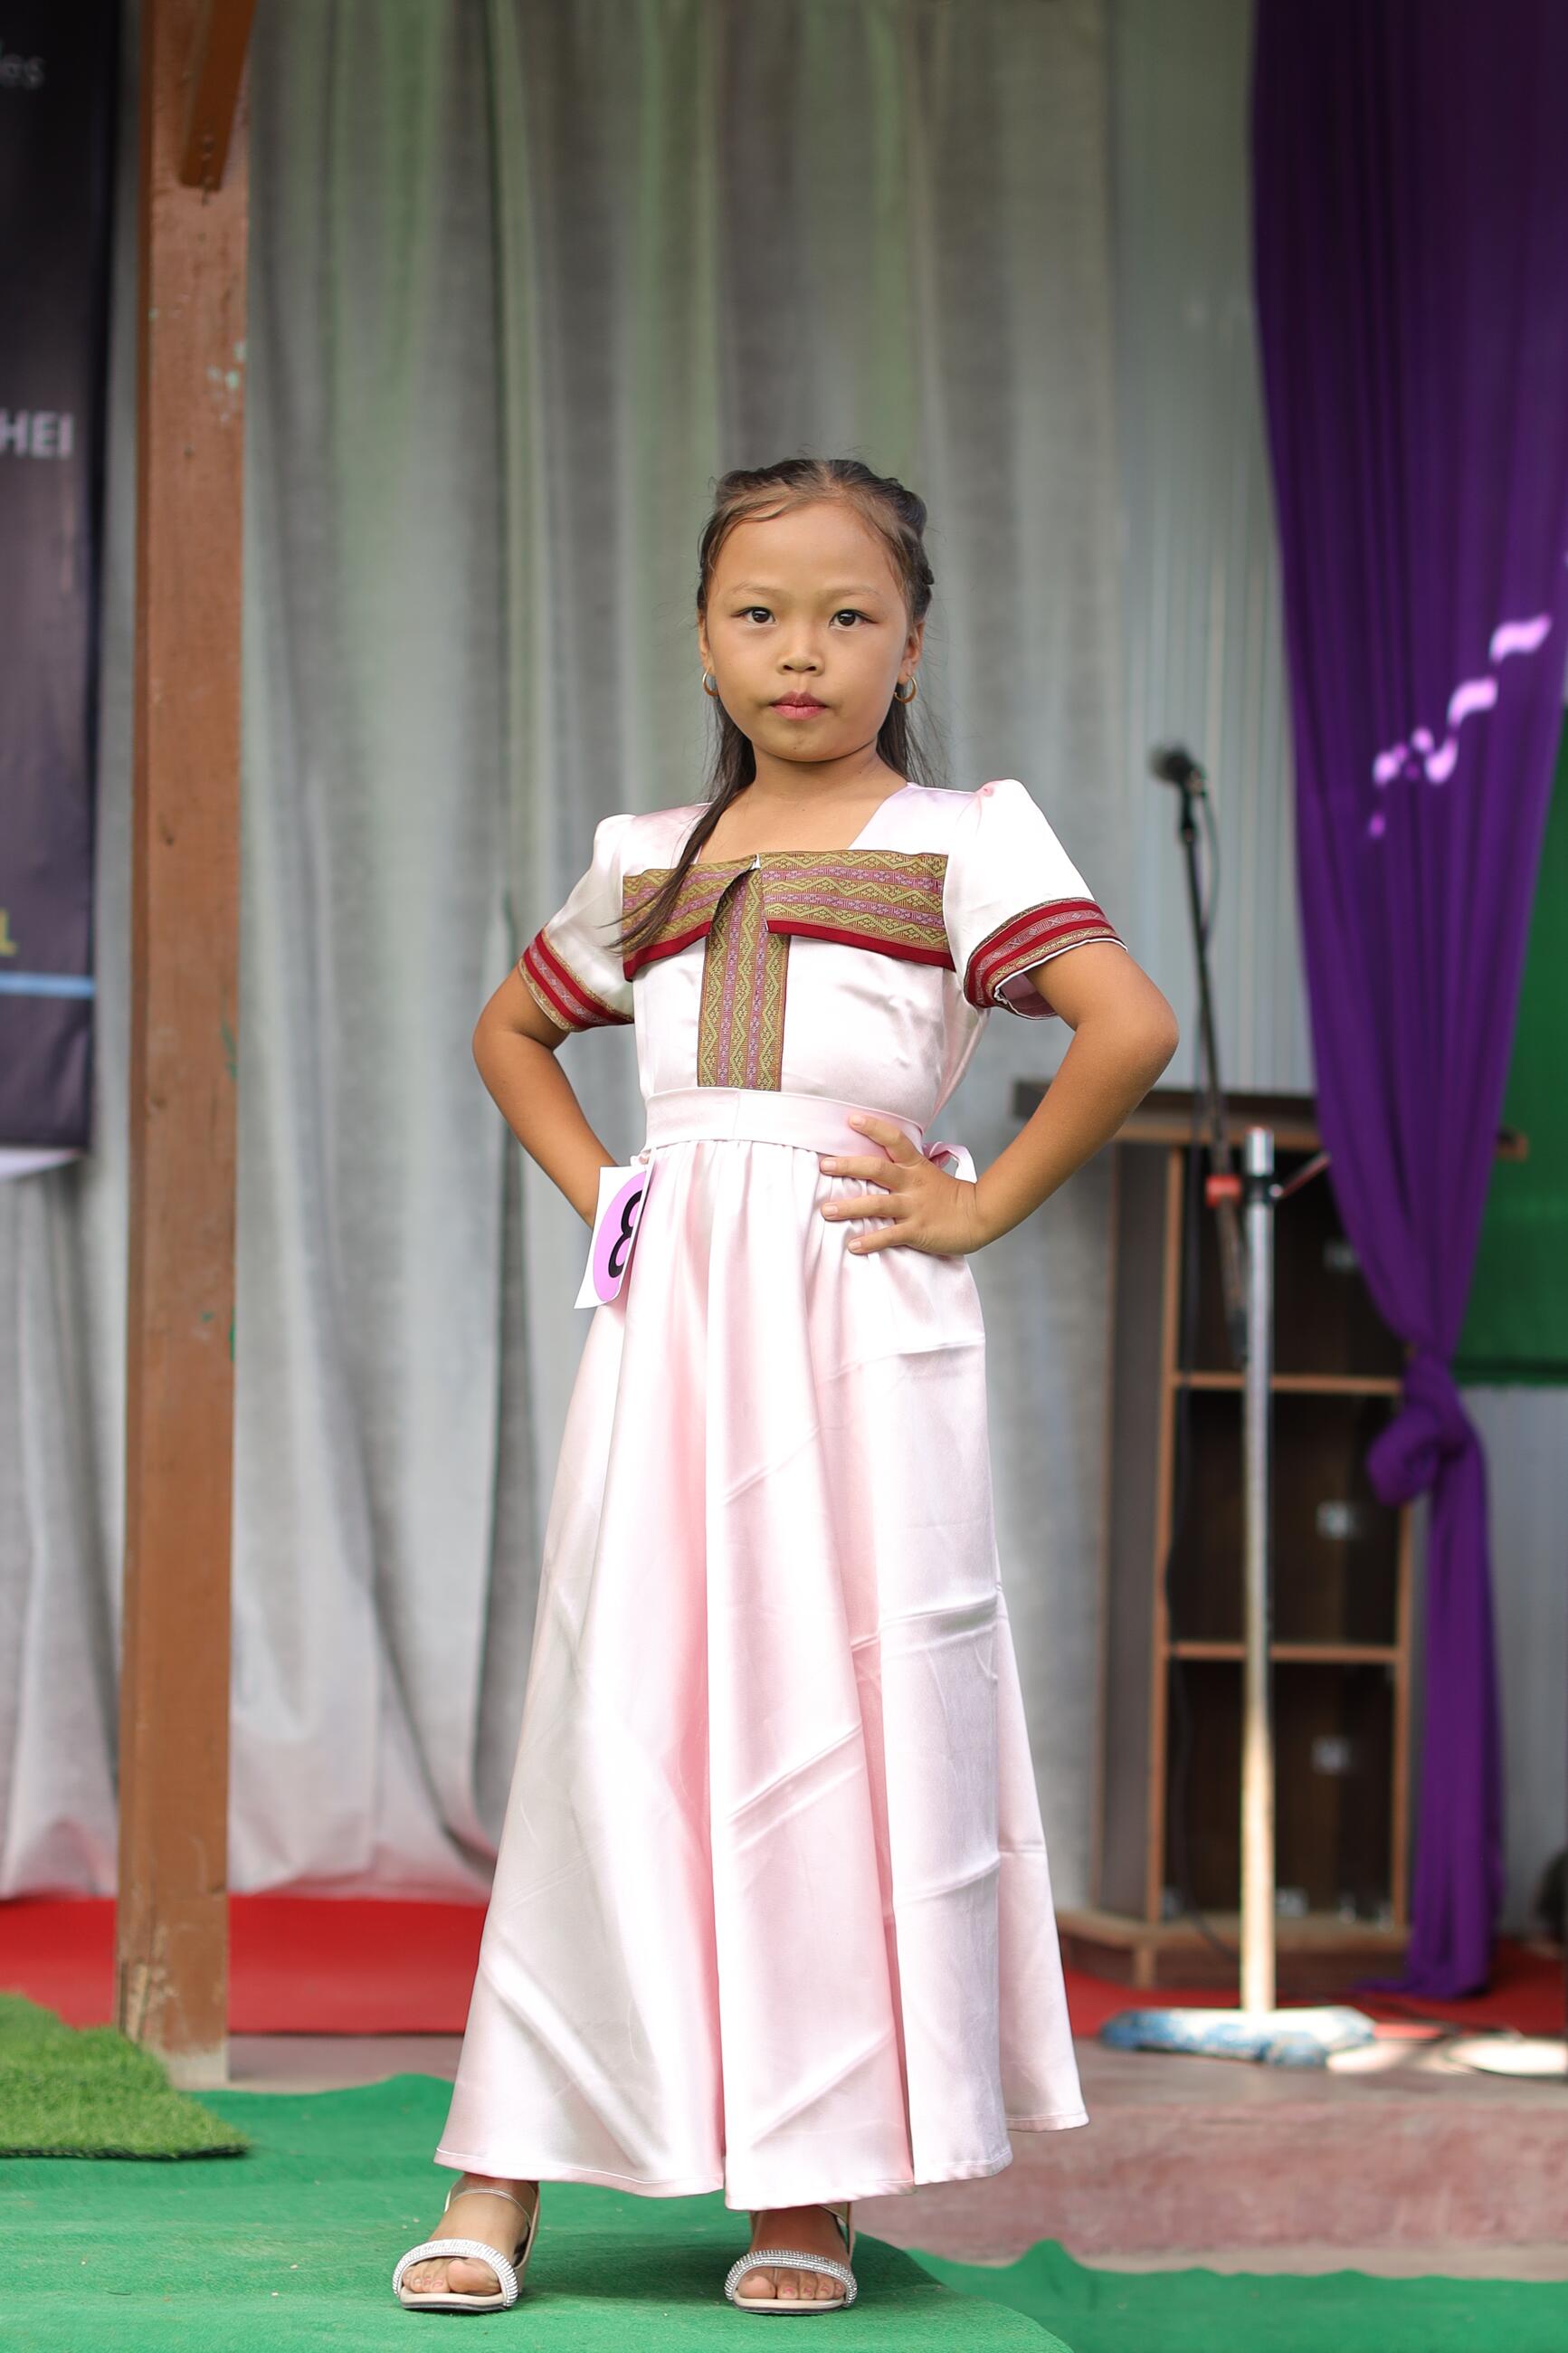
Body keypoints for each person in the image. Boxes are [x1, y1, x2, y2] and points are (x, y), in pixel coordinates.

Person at [393, 456, 1179, 2315]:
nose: (800, 652)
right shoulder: (643, 856)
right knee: (616, 1696)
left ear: (914, 640)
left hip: (855, 1322)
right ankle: (499, 2174)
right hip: (672, 1333)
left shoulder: (967, 838)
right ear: (701, 638)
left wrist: (975, 1201)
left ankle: (804, 2189)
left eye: (846, 615)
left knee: (829, 1706)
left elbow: (1126, 1024)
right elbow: (512, 1031)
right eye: (758, 614)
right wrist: (615, 1195)